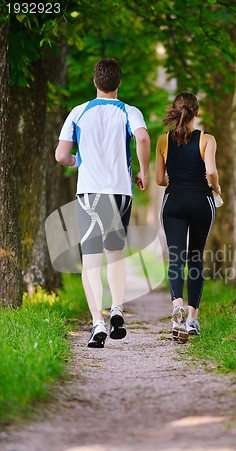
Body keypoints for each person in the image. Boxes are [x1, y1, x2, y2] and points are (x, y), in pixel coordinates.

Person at [55, 58, 150, 348]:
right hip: (120, 192)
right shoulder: (129, 111)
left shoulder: (78, 112)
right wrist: (144, 171)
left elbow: (61, 155)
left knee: (91, 262)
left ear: (95, 82)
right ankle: (118, 308)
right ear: (118, 83)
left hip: (89, 194)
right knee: (116, 255)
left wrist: (76, 162)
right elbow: (143, 139)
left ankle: (97, 321)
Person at [156, 91, 221, 344]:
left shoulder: (164, 141)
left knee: (176, 256)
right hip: (201, 202)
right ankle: (193, 319)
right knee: (195, 257)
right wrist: (216, 187)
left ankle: (177, 309)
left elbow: (161, 180)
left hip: (173, 202)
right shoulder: (207, 139)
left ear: (175, 111)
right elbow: (212, 172)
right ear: (196, 112)